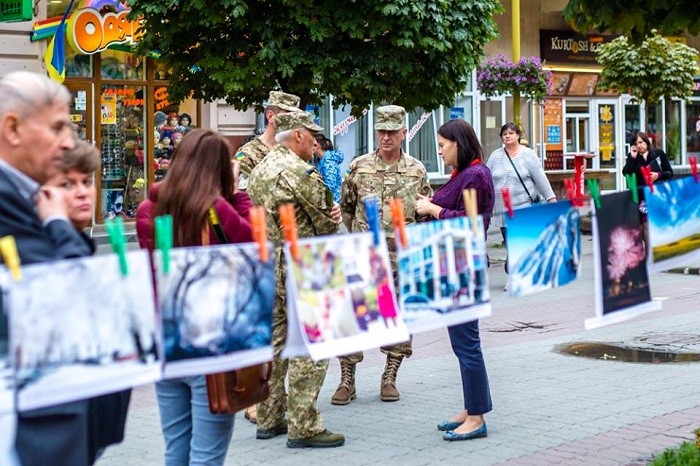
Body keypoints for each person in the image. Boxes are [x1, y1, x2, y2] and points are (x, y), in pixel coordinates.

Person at [136, 129, 254, 465]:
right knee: (207, 455)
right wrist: (237, 192)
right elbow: (255, 244)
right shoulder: (216, 208)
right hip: (210, 342)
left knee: (176, 448)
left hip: (167, 339)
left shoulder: (148, 209)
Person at [0, 71, 93, 466]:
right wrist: (57, 223)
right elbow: (71, 291)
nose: (68, 141)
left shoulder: (26, 194)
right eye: (57, 127)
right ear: (13, 128)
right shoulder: (9, 201)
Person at [247, 111, 345, 448]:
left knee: (274, 344)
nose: (315, 142)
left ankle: (269, 416)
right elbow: (326, 222)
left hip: (269, 263)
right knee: (310, 343)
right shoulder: (301, 172)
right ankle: (304, 425)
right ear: (298, 135)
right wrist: (333, 215)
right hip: (304, 264)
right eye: (311, 135)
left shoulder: (260, 169)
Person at [338, 104, 432, 404]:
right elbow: (346, 207)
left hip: (401, 257)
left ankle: (390, 375)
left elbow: (424, 213)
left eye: (392, 131)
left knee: (400, 316)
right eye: (382, 131)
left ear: (404, 132)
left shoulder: (416, 170)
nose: (386, 137)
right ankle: (347, 379)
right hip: (364, 255)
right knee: (353, 314)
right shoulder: (359, 167)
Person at [45, 139, 132, 463]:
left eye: (86, 181)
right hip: (63, 418)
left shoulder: (77, 241)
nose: (83, 192)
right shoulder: (49, 246)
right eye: (68, 184)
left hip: (92, 422)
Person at [414, 119, 494, 441]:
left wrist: (432, 209)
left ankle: (476, 418)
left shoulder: (476, 175)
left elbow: (471, 223)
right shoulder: (463, 174)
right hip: (453, 266)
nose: (440, 151)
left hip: (464, 268)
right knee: (462, 344)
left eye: (443, 145)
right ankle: (471, 407)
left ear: (458, 144)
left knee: (467, 344)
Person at [486, 122, 556, 290]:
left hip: (523, 207)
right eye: (504, 134)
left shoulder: (527, 155)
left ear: (518, 135)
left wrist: (551, 198)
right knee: (510, 243)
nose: (507, 136)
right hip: (502, 211)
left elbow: (540, 178)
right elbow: (486, 179)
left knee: (516, 243)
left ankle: (514, 277)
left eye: (511, 133)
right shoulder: (495, 156)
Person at [235, 91, 302, 190]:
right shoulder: (247, 153)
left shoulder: (294, 151)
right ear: (270, 116)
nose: (293, 122)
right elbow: (243, 192)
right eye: (288, 116)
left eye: (296, 117)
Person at [622, 130, 673, 248]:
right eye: (636, 144)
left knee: (650, 225)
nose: (639, 146)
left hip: (657, 194)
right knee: (642, 227)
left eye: (641, 142)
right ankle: (651, 251)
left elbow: (670, 173)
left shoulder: (658, 154)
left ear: (646, 142)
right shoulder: (633, 157)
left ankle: (650, 254)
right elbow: (626, 173)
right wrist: (632, 158)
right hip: (642, 196)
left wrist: (658, 175)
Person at [313, 133, 344, 204]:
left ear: (316, 145)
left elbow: (330, 187)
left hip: (333, 202)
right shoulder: (320, 161)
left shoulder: (329, 162)